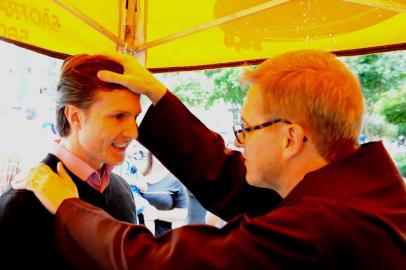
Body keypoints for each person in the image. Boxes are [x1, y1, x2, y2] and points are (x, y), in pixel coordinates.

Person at [15, 50, 406, 269]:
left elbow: (162, 263)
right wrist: (157, 92)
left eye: (247, 128)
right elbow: (227, 179)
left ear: (291, 138)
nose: (239, 143)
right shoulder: (357, 199)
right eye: (118, 116)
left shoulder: (326, 227)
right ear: (74, 115)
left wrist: (68, 206)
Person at [0, 55, 140, 269]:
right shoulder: (20, 204)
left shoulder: (122, 190)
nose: (133, 132)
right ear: (74, 116)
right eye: (118, 116)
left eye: (135, 118)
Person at [140, 151, 188, 236]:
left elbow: (182, 214)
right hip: (135, 239)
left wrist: (156, 214)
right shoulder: (137, 176)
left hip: (161, 240)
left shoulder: (175, 180)